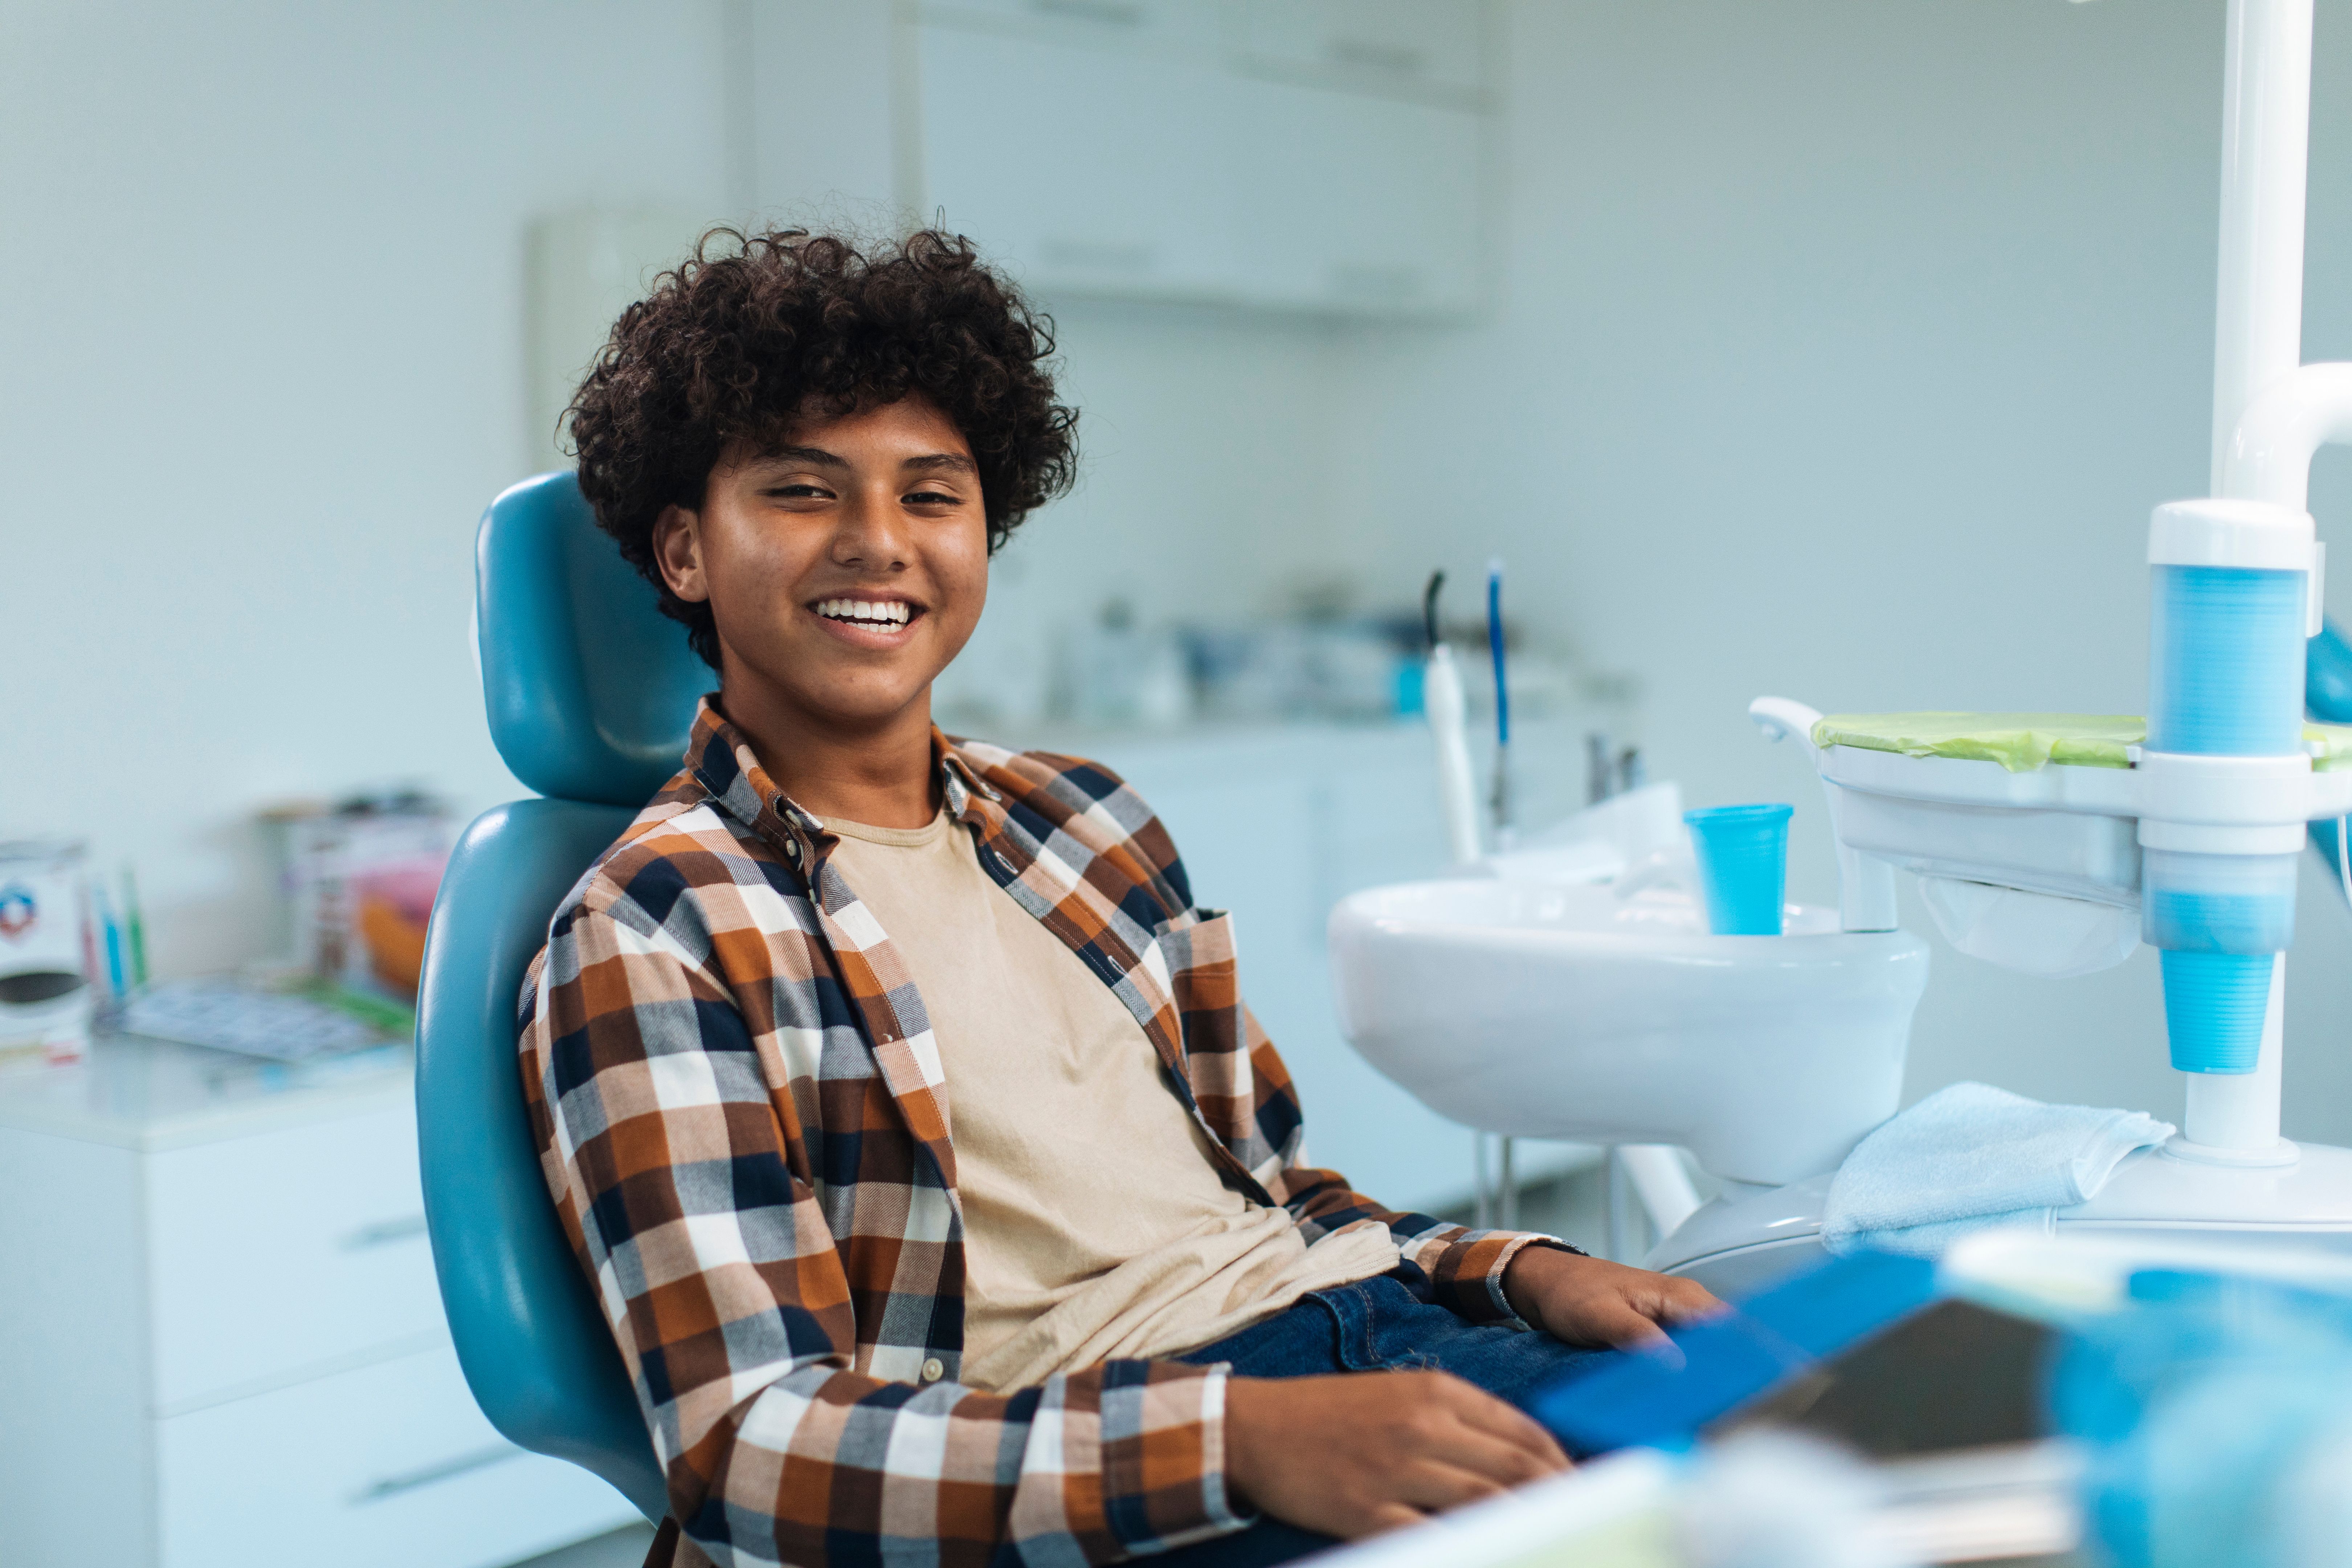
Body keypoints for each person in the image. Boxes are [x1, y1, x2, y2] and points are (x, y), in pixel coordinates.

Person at [520, 227, 1722, 1568]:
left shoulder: (1084, 822)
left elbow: (1268, 1197)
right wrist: (1239, 1443)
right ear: (686, 552)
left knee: (1837, 1451)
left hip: (1383, 1344)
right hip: (1111, 1471)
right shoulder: (649, 930)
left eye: (932, 495)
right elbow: (752, 1445)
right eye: (804, 493)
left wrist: (1516, 1271)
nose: (878, 543)